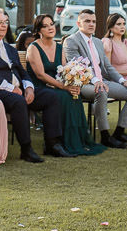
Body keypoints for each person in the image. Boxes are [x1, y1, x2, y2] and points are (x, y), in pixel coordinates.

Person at [0, 7, 68, 163]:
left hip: (19, 89)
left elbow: (22, 72)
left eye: (5, 22)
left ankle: (52, 143)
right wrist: (11, 88)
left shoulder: (9, 48)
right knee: (18, 102)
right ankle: (26, 149)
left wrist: (29, 87)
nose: (4, 25)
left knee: (51, 96)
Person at [26, 14, 105, 156]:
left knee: (73, 95)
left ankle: (75, 140)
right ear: (38, 30)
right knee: (61, 95)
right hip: (39, 88)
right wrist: (62, 86)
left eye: (51, 24)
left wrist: (72, 85)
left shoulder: (59, 47)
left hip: (56, 86)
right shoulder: (34, 48)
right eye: (45, 26)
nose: (50, 28)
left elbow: (63, 70)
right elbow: (40, 74)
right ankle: (55, 142)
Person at [63, 9, 127, 148]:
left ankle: (119, 132)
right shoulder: (71, 41)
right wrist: (96, 81)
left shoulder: (97, 42)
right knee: (101, 91)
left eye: (93, 21)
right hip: (83, 83)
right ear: (78, 23)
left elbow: (108, 66)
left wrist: (123, 81)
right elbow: (78, 67)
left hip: (103, 81)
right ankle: (105, 136)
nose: (91, 24)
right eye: (87, 21)